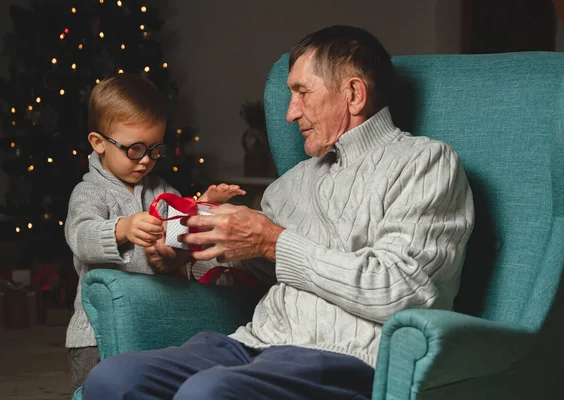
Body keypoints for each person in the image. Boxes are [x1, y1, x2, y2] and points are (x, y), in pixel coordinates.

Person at [82, 25, 475, 400]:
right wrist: (188, 259)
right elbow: (257, 271)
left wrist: (272, 241)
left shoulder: (423, 162)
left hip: (344, 358)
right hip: (255, 343)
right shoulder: (288, 186)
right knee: (114, 380)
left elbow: (405, 290)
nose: (291, 113)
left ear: (354, 94)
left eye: (302, 92)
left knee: (209, 393)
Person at [64, 73, 244, 392]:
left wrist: (201, 206)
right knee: (101, 391)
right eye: (134, 149)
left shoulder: (159, 189)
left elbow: (179, 230)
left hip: (151, 320)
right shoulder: (89, 192)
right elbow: (81, 237)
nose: (146, 160)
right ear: (99, 142)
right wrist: (123, 228)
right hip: (96, 332)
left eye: (154, 149)